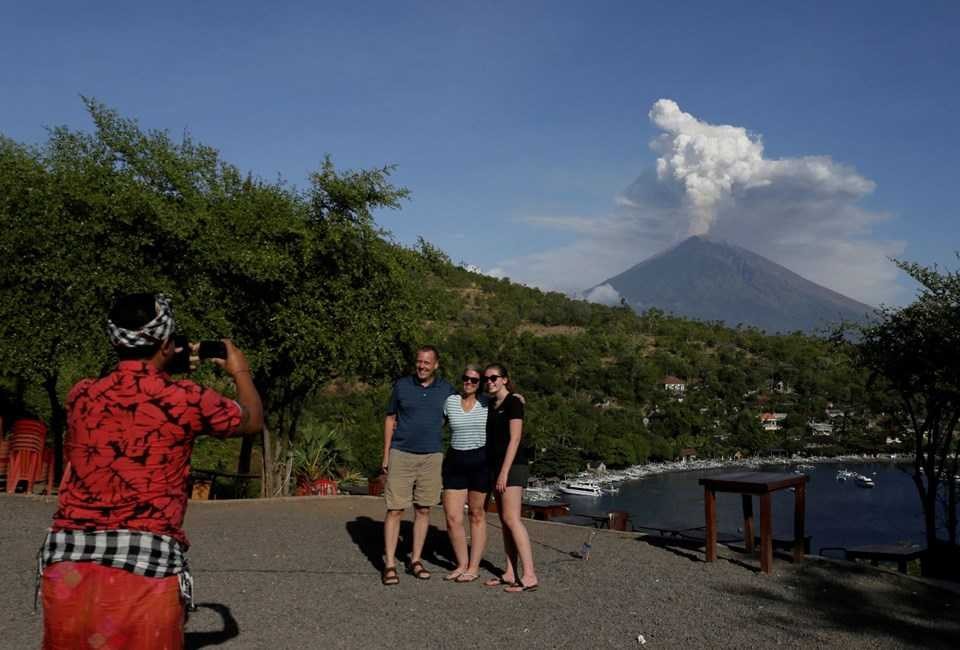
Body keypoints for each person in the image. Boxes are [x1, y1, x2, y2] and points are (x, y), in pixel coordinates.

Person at [39, 293, 263, 649]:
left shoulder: (81, 395)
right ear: (164, 342)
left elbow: (126, 391)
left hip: (68, 563)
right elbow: (251, 420)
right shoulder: (187, 398)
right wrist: (240, 370)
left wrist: (159, 363)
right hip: (145, 566)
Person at [381, 345, 455, 585]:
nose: (422, 366)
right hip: (401, 453)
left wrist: (512, 395)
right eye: (419, 362)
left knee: (423, 509)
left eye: (427, 363)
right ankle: (390, 564)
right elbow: (390, 418)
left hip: (431, 457)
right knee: (395, 509)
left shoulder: (446, 390)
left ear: (436, 365)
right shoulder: (402, 386)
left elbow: (468, 405)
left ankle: (415, 559)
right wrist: (386, 454)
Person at [483, 363, 539, 592]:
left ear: (505, 379)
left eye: (494, 377)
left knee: (512, 519)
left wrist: (505, 471)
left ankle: (529, 575)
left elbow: (515, 439)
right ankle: (509, 571)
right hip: (497, 467)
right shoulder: (491, 405)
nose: (490, 381)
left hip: (513, 466)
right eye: (487, 378)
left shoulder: (513, 402)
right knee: (505, 522)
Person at [440, 365, 489, 583]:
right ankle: (461, 564)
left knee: (476, 515)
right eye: (465, 378)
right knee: (452, 517)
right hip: (455, 461)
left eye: (474, 380)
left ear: (480, 384)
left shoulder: (487, 403)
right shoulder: (450, 401)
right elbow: (436, 423)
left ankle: (474, 566)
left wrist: (518, 397)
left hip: (480, 461)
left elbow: (508, 403)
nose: (468, 382)